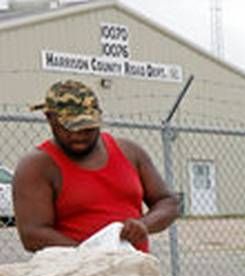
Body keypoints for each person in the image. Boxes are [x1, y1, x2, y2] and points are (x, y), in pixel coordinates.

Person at [13, 79, 179, 253]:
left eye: (87, 128)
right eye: (70, 128)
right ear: (50, 119)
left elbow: (167, 202)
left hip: (131, 270)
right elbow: (33, 235)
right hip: (74, 273)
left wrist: (144, 225)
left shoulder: (130, 152)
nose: (79, 136)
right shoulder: (37, 167)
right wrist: (92, 255)